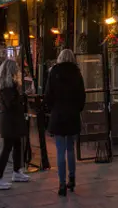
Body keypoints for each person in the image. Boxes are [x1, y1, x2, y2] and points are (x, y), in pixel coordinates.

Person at [44, 49, 86, 196]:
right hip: (72, 115)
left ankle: (61, 184)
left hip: (58, 115)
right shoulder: (77, 73)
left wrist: (52, 109)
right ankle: (72, 178)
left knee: (60, 150)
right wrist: (77, 109)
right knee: (70, 149)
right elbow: (82, 96)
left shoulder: (54, 72)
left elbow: (48, 95)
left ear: (60, 58)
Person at [0, 59, 30, 190]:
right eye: (16, 69)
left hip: (11, 120)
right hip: (9, 121)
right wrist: (21, 98)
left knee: (17, 145)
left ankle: (16, 171)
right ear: (10, 71)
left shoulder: (9, 85)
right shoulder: (7, 87)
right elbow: (11, 103)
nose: (17, 71)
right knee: (7, 148)